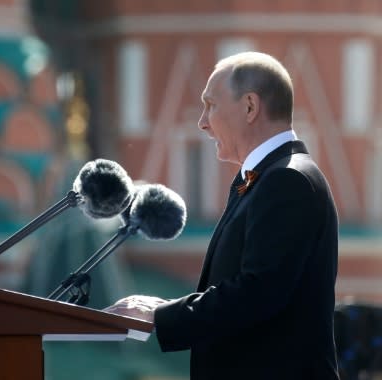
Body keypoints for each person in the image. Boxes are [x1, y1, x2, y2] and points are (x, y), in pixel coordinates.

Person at [105, 51, 340, 380]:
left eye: (211, 105)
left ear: (249, 107)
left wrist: (161, 315)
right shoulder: (263, 177)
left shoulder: (286, 179)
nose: (202, 121)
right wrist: (164, 308)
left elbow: (258, 293)